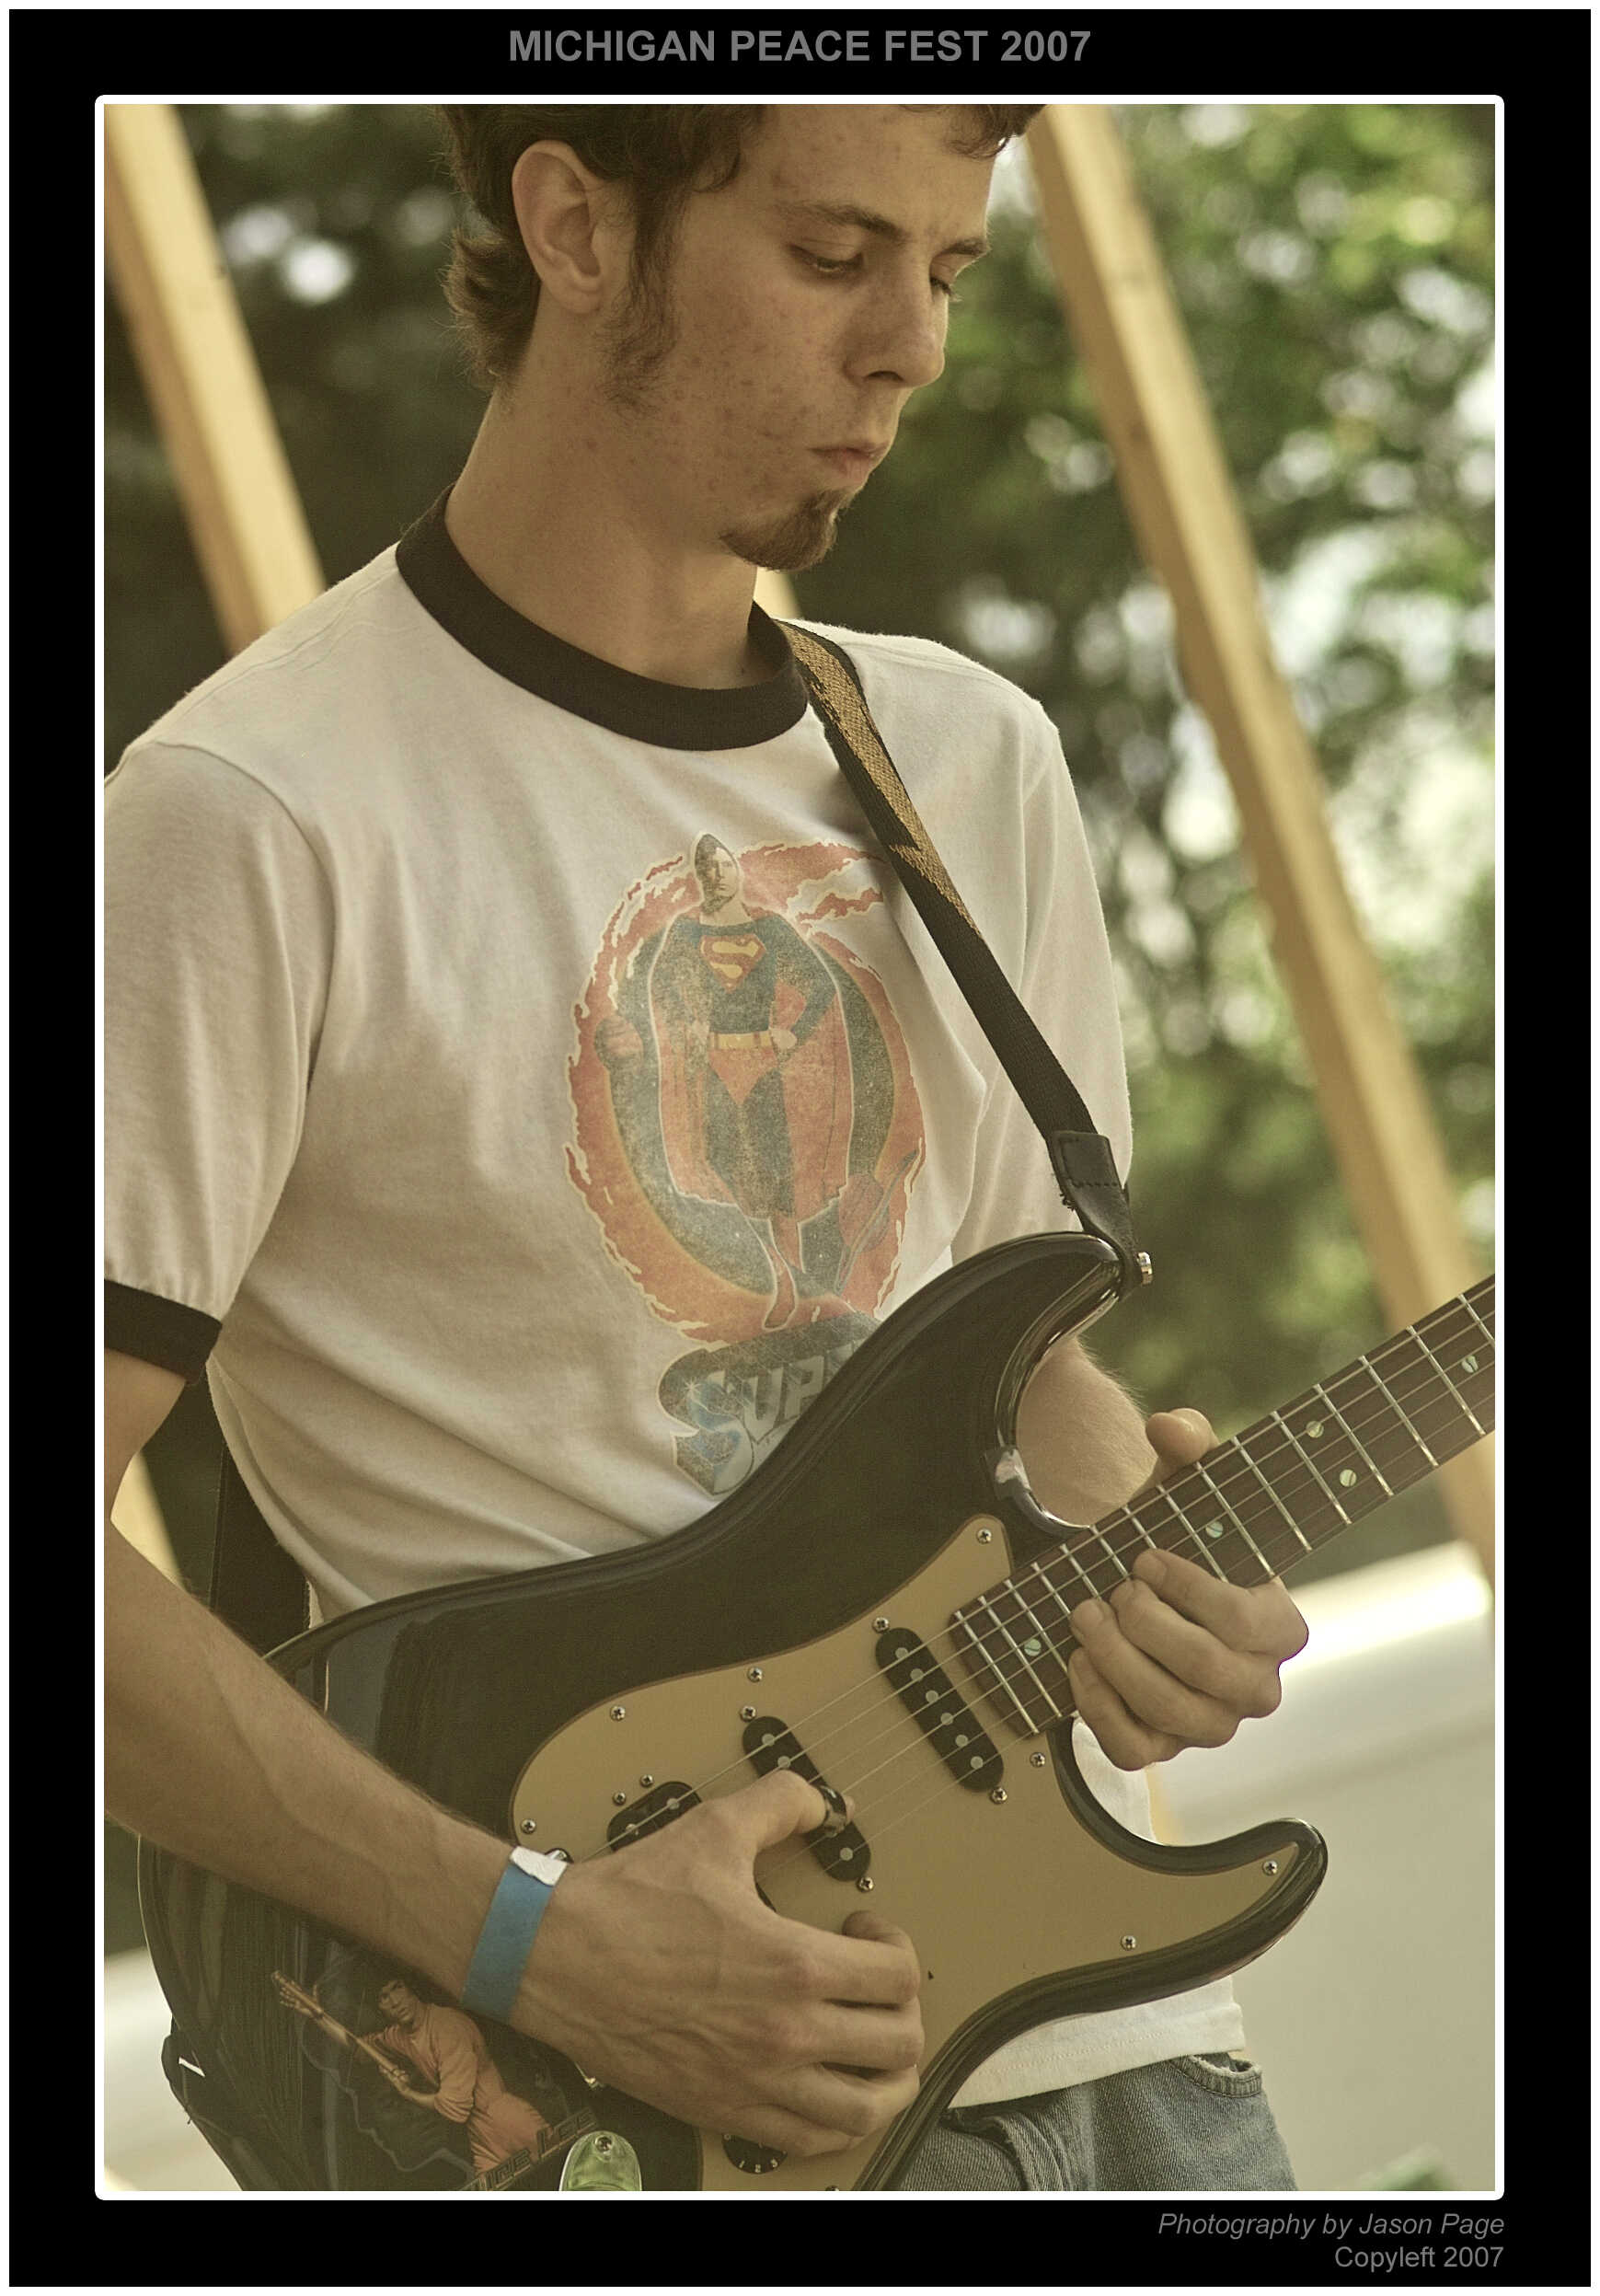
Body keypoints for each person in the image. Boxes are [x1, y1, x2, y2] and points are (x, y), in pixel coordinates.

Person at [104, 102, 1309, 2191]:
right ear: (577, 225)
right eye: (835, 255)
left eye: (947, 271)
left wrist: (1137, 1562)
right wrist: (538, 1945)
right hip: (631, 2126)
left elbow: (1024, 1359)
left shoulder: (969, 761)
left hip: (1128, 2068)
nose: (912, 345)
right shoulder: (252, 816)